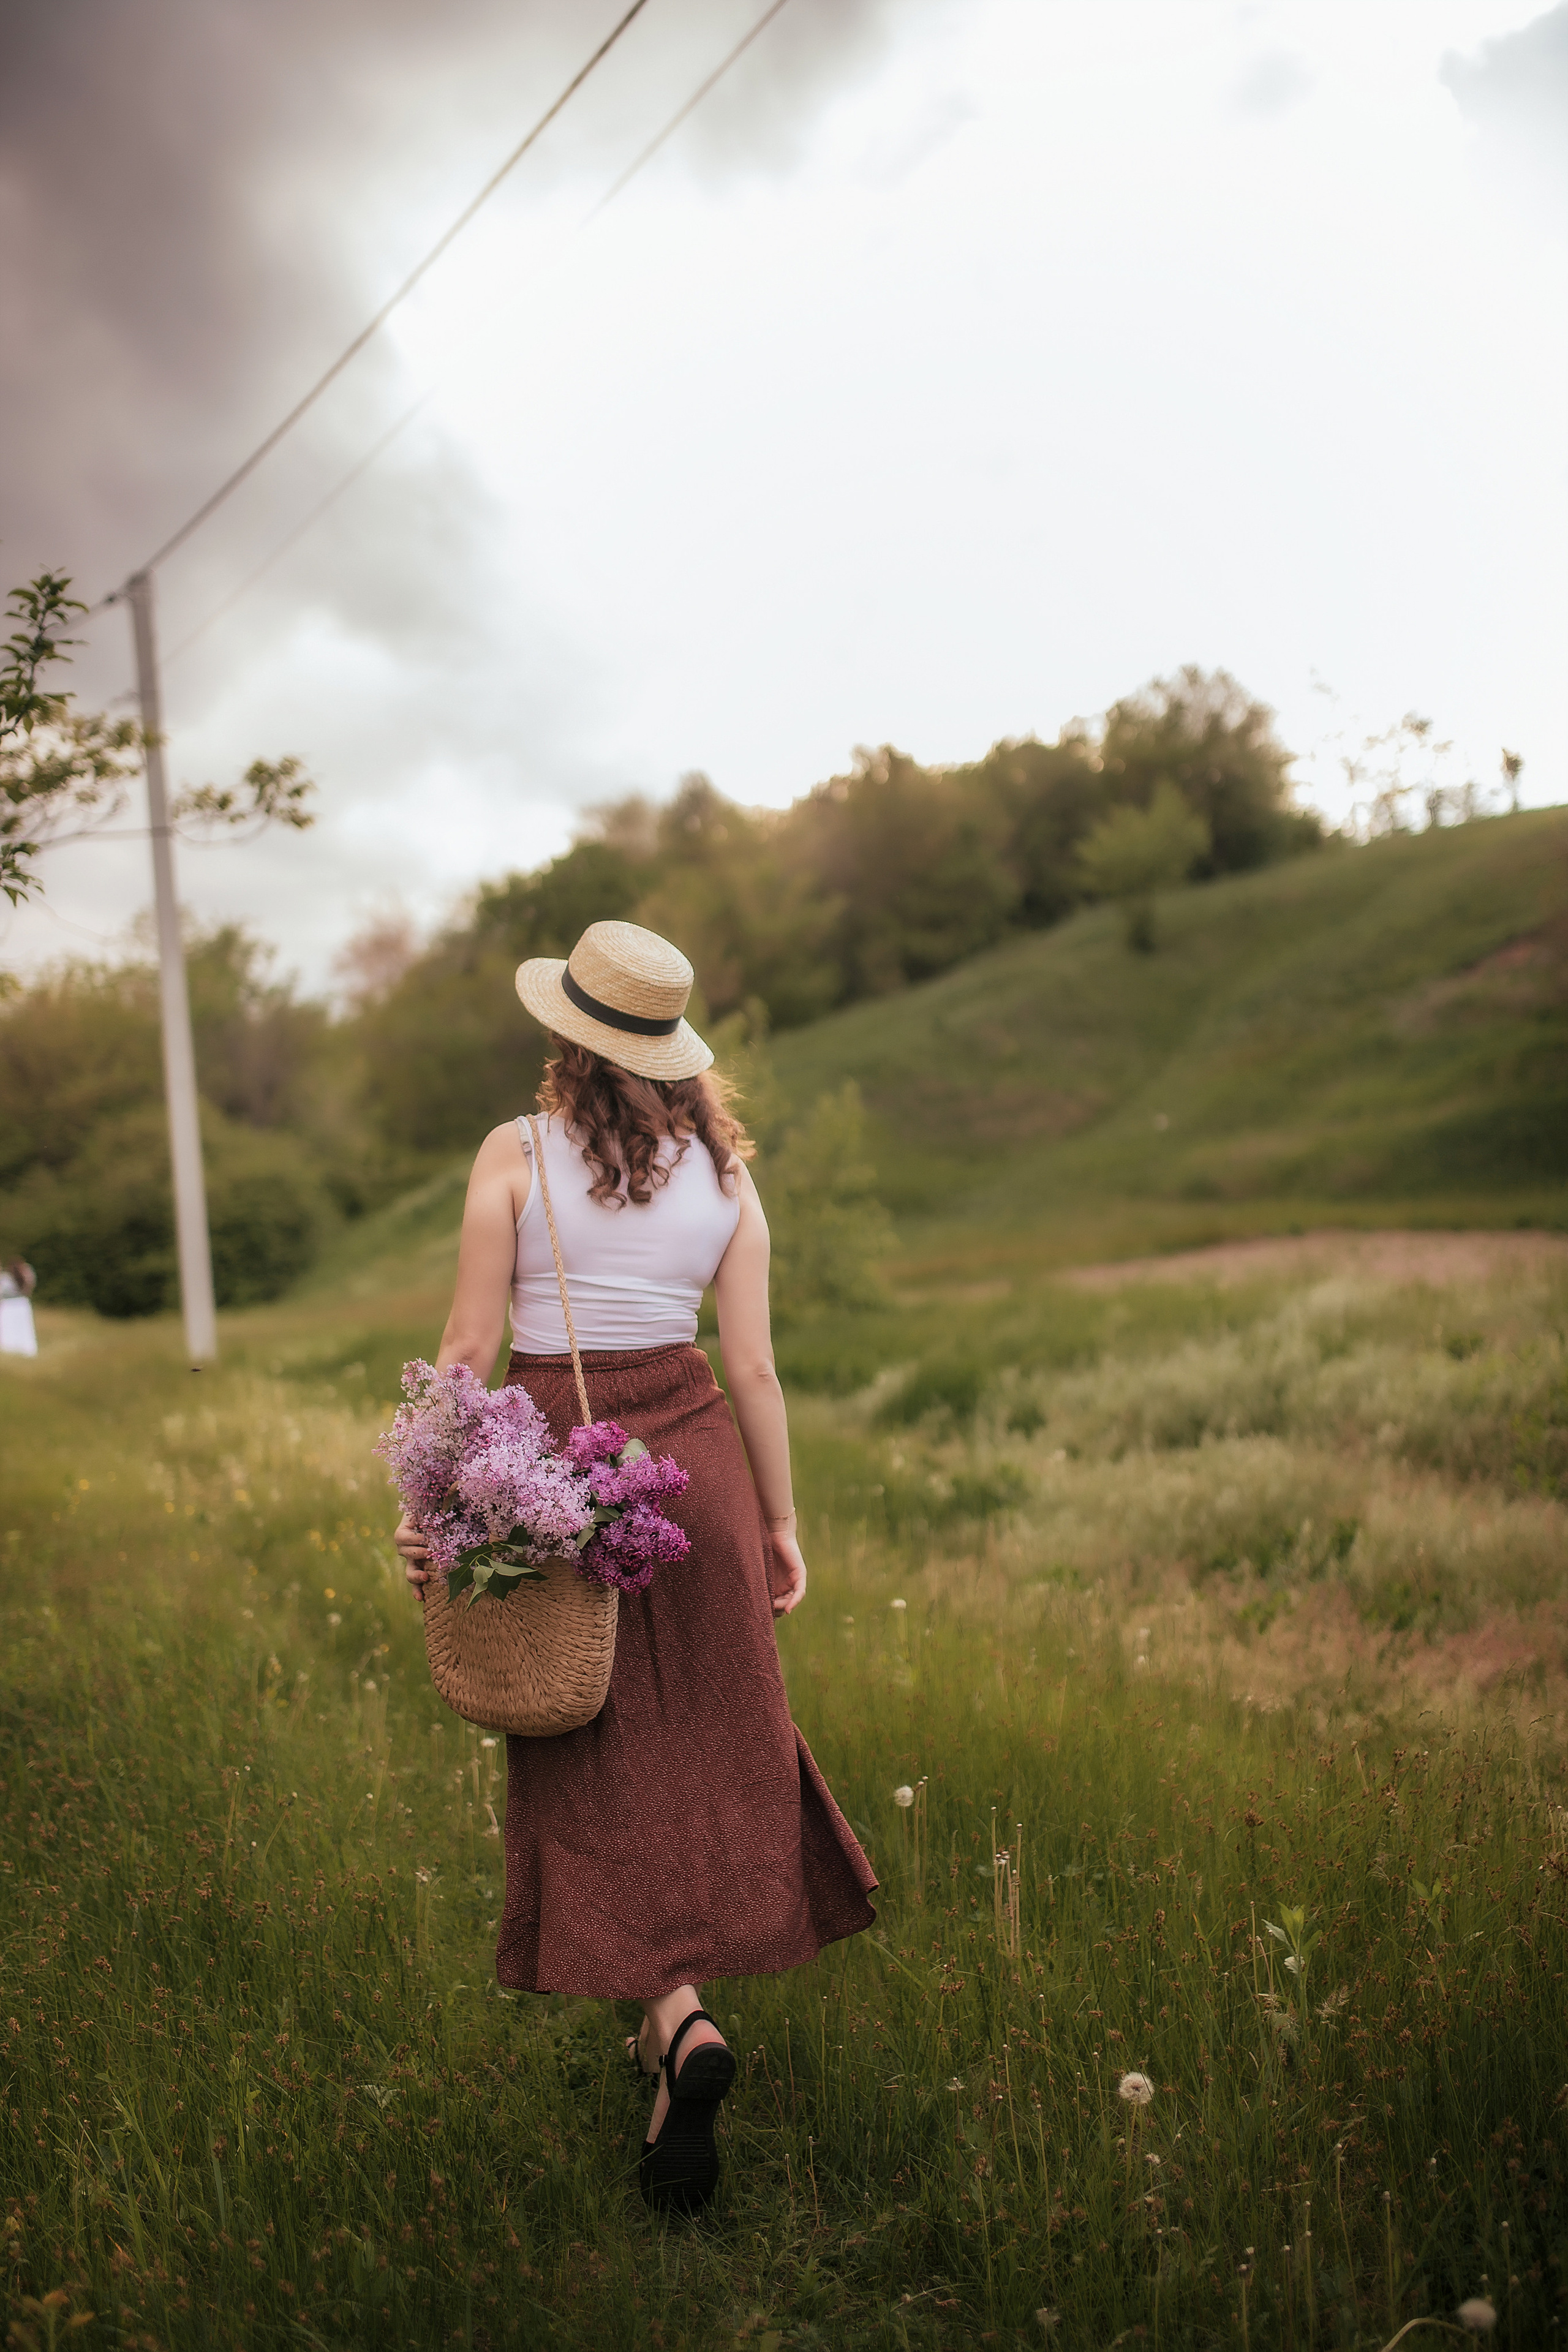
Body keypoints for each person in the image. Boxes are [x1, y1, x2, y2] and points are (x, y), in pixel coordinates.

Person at [393, 920, 876, 2212]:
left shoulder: (515, 1151)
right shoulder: (726, 1172)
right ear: (673, 1052)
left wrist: (430, 1495)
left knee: (586, 1750)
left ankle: (676, 2021)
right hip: (698, 1468)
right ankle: (675, 2032)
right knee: (706, 1746)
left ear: (567, 1034)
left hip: (556, 1468)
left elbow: (466, 1345)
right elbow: (754, 1366)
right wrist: (779, 1519)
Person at [0, 1259, 38, 1358]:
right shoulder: (25, 1277)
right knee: (24, 1327)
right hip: (22, 1304)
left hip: (8, 1305)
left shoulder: (5, 1279)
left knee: (8, 1327)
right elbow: (31, 1286)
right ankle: (26, 1348)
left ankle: (10, 1348)